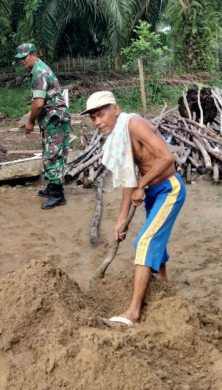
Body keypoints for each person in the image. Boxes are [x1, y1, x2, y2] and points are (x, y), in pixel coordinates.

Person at [81, 90, 185, 327]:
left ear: (115, 109)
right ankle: (165, 286)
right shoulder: (119, 136)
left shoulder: (134, 124)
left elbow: (166, 158)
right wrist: (121, 219)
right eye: (93, 118)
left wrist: (143, 184)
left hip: (169, 189)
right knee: (155, 237)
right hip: (153, 193)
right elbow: (128, 179)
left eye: (101, 115)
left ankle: (134, 312)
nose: (97, 122)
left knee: (145, 241)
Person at [15, 43, 71, 210]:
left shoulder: (39, 73)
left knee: (53, 155)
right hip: (53, 119)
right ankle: (53, 187)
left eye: (24, 58)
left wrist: (30, 121)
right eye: (20, 59)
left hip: (55, 120)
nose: (22, 61)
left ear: (33, 54)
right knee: (51, 152)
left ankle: (58, 195)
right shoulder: (40, 68)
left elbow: (39, 104)